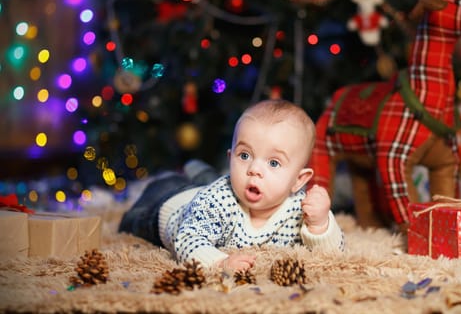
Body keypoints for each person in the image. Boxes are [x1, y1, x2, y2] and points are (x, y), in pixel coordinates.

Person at [119, 99, 345, 272]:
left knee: (220, 181)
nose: (254, 169)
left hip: (215, 189)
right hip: (169, 204)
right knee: (135, 216)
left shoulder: (298, 207)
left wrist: (320, 225)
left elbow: (333, 256)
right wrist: (220, 262)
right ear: (231, 158)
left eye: (274, 162)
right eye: (244, 155)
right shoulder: (218, 200)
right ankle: (189, 173)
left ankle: (199, 170)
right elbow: (187, 240)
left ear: (298, 180)